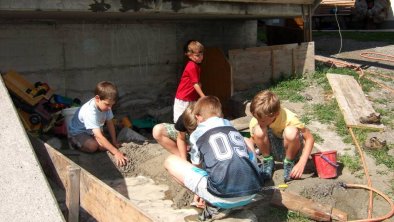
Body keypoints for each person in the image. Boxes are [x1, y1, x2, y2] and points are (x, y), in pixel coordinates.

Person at [164, 96, 264, 221]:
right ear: (220, 114)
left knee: (170, 161)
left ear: (198, 117)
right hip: (252, 192)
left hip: (222, 196)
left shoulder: (197, 134)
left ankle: (214, 206)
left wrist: (199, 192)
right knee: (246, 141)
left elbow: (197, 167)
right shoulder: (231, 127)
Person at [248, 90, 314, 183]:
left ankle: (289, 163)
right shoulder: (258, 120)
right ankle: (268, 162)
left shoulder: (289, 118)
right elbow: (254, 140)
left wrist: (302, 163)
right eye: (256, 118)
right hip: (272, 151)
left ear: (276, 114)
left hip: (291, 151)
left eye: (262, 120)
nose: (258, 122)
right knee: (258, 130)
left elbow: (309, 138)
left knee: (290, 131)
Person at [68, 81, 128, 167]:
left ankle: (93, 142)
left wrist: (114, 141)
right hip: (79, 132)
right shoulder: (90, 111)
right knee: (93, 146)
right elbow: (99, 136)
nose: (110, 108)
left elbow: (110, 123)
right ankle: (75, 144)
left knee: (103, 147)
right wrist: (116, 152)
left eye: (112, 105)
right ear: (97, 99)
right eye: (107, 104)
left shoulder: (107, 106)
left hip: (93, 130)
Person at [173, 40, 206, 123]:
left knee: (191, 120)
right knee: (179, 121)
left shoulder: (196, 66)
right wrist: (203, 97)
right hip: (183, 98)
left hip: (190, 98)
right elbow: (195, 84)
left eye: (202, 54)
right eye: (197, 55)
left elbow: (196, 83)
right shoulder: (192, 66)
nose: (201, 57)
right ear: (190, 56)